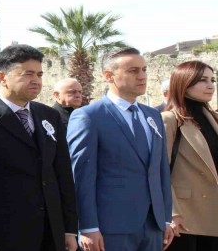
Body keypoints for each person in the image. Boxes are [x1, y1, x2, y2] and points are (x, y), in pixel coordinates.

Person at [0, 44, 78, 251]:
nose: (36, 80)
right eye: (28, 74)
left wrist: (68, 228)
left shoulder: (49, 116)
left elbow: (62, 174)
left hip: (51, 232)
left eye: (40, 74)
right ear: (2, 77)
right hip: (4, 234)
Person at [67, 47, 174, 251]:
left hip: (153, 226)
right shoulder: (89, 116)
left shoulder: (152, 115)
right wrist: (88, 226)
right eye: (133, 71)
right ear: (109, 76)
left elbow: (161, 171)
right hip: (110, 227)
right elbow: (81, 177)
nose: (142, 76)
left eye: (143, 69)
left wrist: (166, 219)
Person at [161, 61, 218, 250]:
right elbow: (160, 170)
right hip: (185, 218)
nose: (211, 85)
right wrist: (172, 212)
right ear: (184, 83)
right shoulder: (170, 119)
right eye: (202, 80)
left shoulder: (213, 118)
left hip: (212, 211)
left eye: (212, 79)